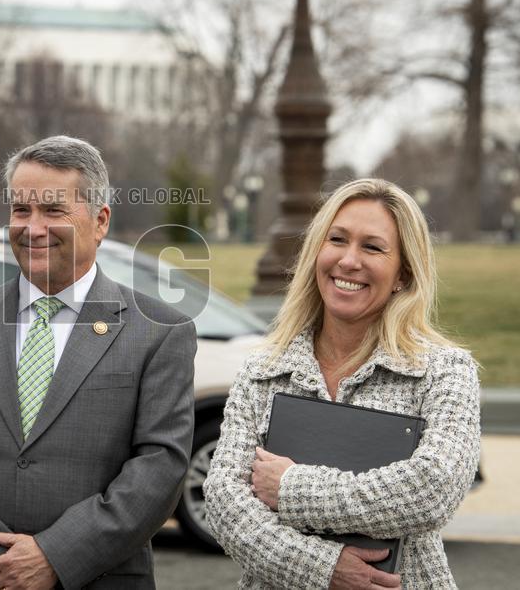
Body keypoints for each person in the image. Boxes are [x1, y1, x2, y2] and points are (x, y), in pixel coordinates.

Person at [0, 136, 196, 589]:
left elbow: (159, 468)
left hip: (100, 578)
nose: (32, 228)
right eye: (21, 210)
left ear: (100, 222)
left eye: (53, 211)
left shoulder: (159, 331)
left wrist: (54, 558)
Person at [204, 178, 481, 589]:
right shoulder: (264, 368)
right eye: (337, 240)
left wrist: (292, 488)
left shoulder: (444, 370)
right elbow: (225, 503)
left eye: (372, 247)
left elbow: (432, 489)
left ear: (403, 272)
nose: (349, 261)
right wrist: (323, 567)